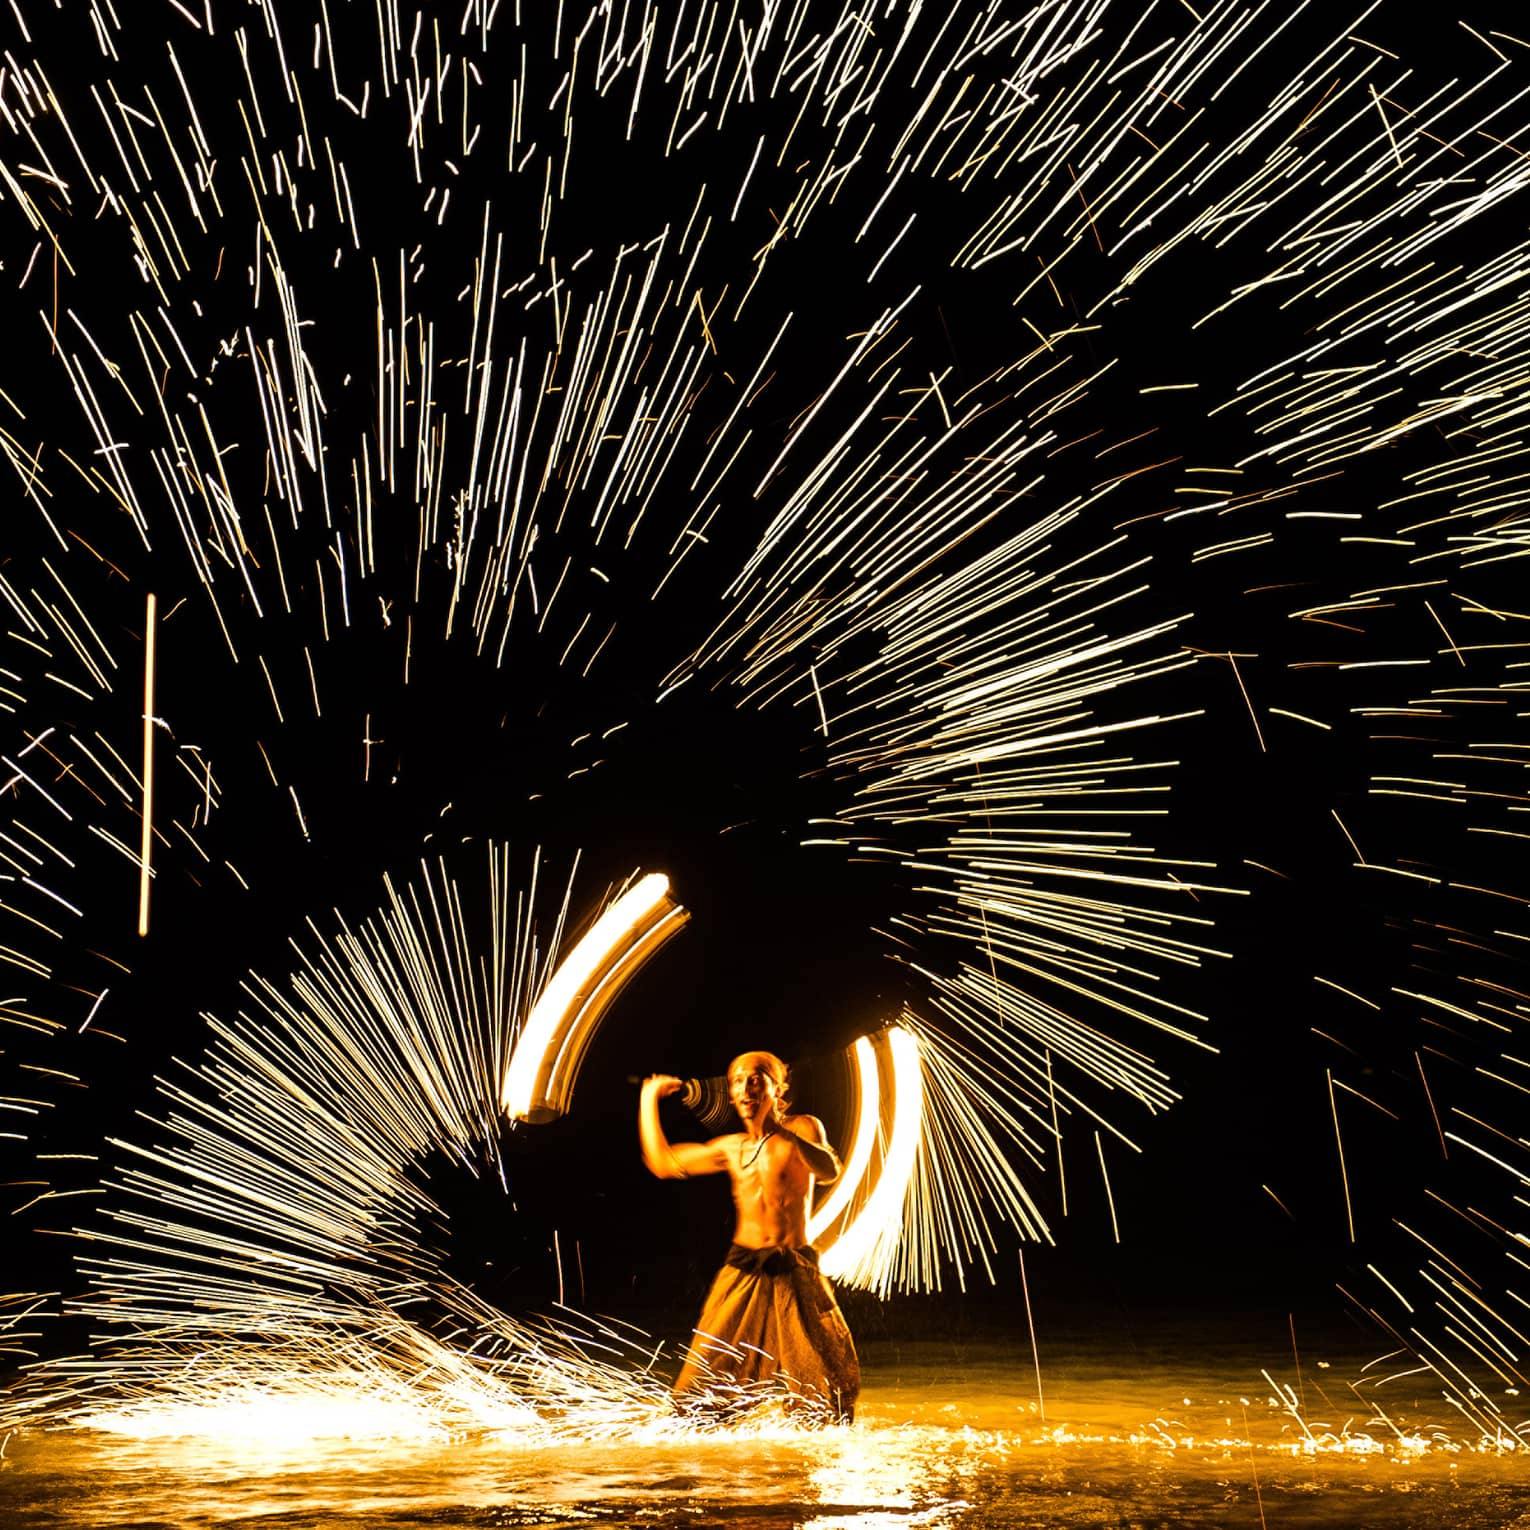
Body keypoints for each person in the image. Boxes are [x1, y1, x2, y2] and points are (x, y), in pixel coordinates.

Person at [638, 1051, 860, 1424]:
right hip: (741, 1273)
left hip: (794, 1272)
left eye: (757, 1078)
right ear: (730, 1094)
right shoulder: (731, 1148)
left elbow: (828, 1170)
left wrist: (780, 1128)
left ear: (777, 1089)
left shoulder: (803, 1129)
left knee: (826, 1391)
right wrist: (648, 1100)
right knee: (701, 1389)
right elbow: (662, 1163)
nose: (746, 1086)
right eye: (738, 1080)